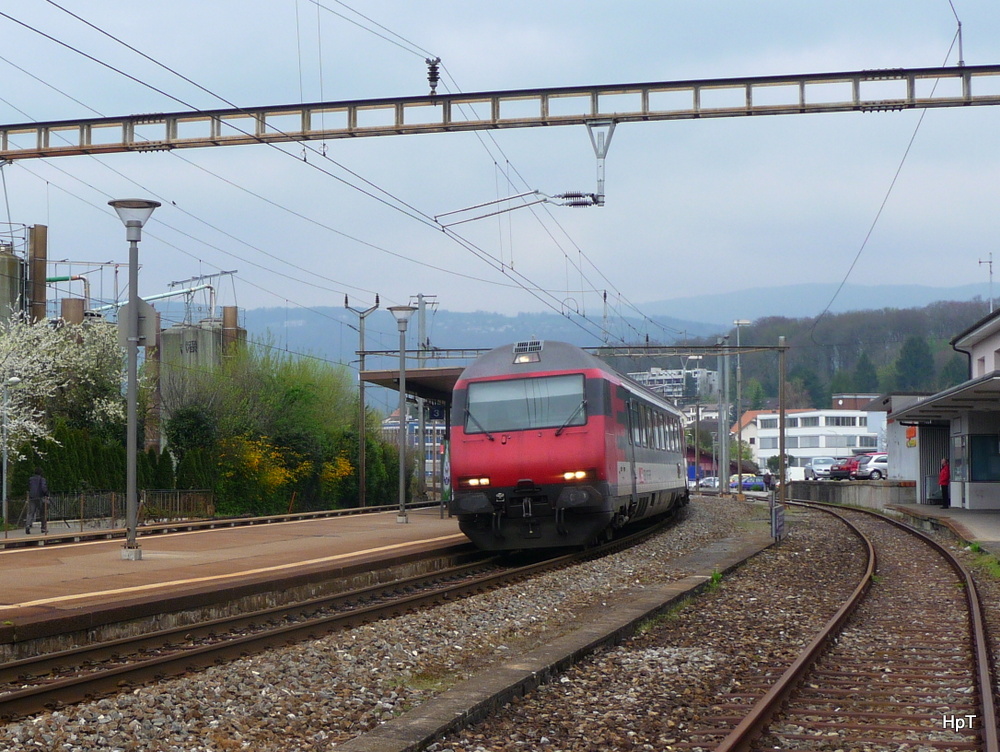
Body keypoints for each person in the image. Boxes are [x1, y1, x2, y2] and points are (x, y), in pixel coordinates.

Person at [26, 467, 49, 535]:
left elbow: (29, 487)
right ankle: (43, 528)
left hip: (32, 497)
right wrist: (46, 494)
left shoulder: (31, 479)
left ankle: (28, 525)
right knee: (43, 513)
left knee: (31, 513)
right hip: (40, 497)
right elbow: (43, 488)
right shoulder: (42, 479)